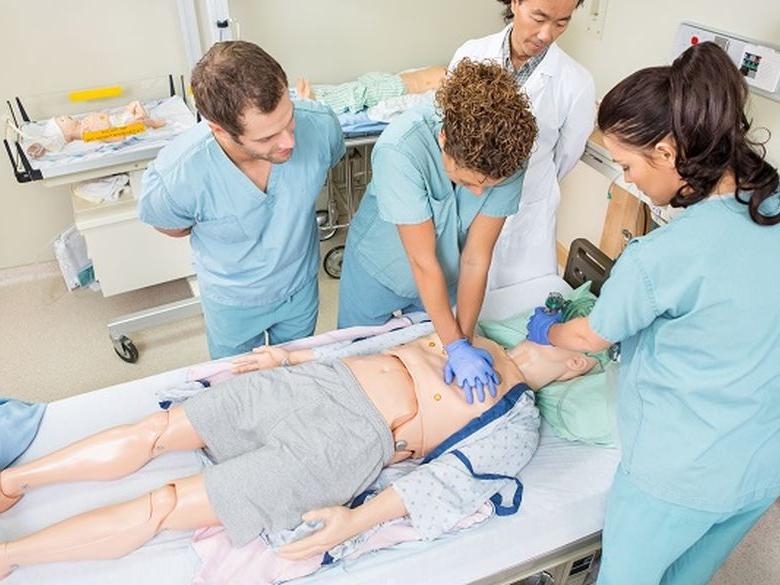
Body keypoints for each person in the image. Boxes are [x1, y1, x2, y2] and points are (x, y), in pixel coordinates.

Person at [0, 327, 598, 577]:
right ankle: (15, 481)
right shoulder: (469, 331)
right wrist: (290, 358)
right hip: (312, 384)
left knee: (164, 503)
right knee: (149, 433)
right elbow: (381, 341)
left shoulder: (518, 420)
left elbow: (447, 484)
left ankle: (12, 555)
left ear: (580, 365)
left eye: (588, 326)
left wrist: (355, 521)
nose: (567, 320)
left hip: (345, 445)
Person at [526, 42, 780, 585]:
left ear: (666, 153)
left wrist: (549, 329)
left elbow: (592, 336)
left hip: (677, 476)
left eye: (625, 165)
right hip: (761, 464)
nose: (625, 180)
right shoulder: (772, 202)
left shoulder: (662, 257)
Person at [338, 59, 538, 403]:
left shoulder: (509, 157)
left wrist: (464, 339)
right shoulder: (400, 149)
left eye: (488, 187)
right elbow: (422, 262)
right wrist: (454, 344)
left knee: (431, 350)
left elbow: (476, 258)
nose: (477, 194)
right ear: (444, 140)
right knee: (355, 360)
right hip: (380, 266)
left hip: (446, 271)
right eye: (468, 182)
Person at [138, 41, 346, 359]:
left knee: (295, 374)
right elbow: (171, 225)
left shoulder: (320, 127)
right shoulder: (179, 174)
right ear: (220, 131)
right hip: (231, 300)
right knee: (234, 382)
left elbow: (323, 157)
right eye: (266, 137)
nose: (289, 142)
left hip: (299, 286)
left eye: (288, 119)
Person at [450, 0, 595, 289]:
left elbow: (566, 156)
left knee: (517, 307)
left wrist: (527, 185)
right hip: (468, 202)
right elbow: (452, 131)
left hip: (527, 213)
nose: (546, 34)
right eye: (539, 17)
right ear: (515, 3)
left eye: (561, 23)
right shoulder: (471, 53)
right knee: (459, 297)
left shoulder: (577, 82)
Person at [26, 100, 167, 158]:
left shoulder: (82, 123)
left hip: (116, 119)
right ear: (65, 134)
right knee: (140, 121)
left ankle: (140, 118)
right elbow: (108, 136)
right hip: (119, 127)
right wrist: (123, 132)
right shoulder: (86, 135)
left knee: (134, 104)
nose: (63, 116)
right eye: (61, 120)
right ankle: (151, 123)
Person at [295, 66, 447, 114]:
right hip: (396, 81)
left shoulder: (452, 81)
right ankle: (321, 96)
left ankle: (321, 100)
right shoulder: (453, 72)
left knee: (363, 93)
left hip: (399, 86)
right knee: (360, 88)